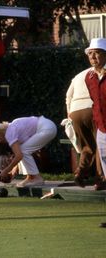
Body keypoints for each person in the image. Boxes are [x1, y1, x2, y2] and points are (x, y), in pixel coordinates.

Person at [0, 116, 57, 187]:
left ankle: (36, 178)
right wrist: (13, 171)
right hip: (48, 126)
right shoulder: (12, 127)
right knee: (23, 149)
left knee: (23, 150)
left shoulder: (9, 133)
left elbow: (19, 155)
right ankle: (30, 177)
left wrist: (6, 170)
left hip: (46, 129)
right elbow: (20, 155)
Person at [65, 67, 101, 188]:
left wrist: (70, 114)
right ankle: (101, 180)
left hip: (75, 112)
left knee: (87, 146)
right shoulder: (101, 72)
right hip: (93, 109)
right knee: (101, 146)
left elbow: (68, 96)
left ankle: (80, 173)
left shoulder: (79, 74)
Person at [84, 38, 106, 193]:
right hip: (102, 127)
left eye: (97, 53)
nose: (92, 57)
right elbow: (95, 101)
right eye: (90, 53)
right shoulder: (89, 77)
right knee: (104, 159)